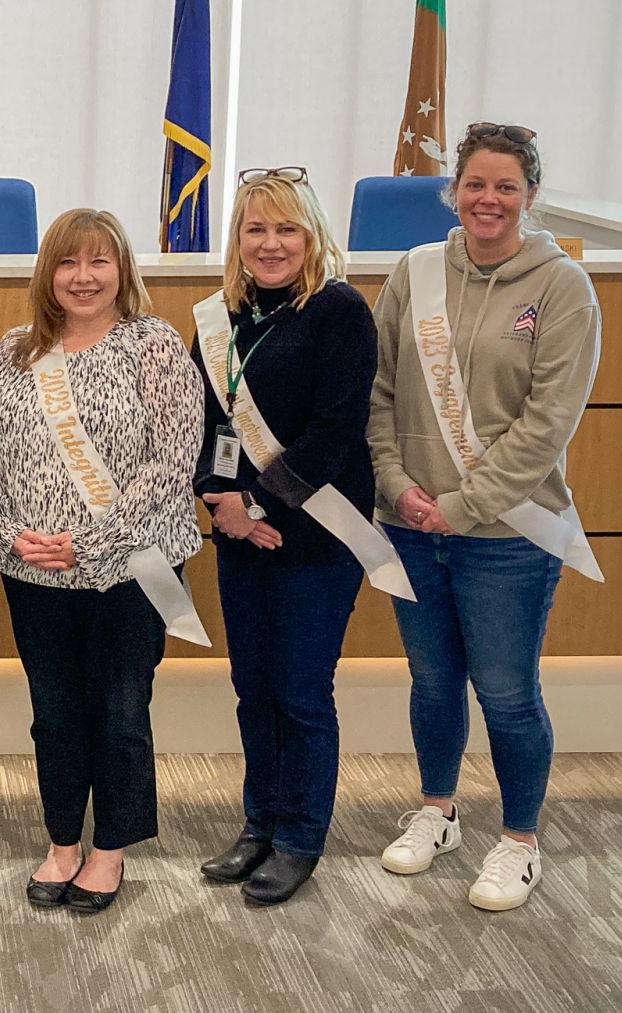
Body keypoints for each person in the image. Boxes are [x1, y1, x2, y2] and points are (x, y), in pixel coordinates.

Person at [368, 123, 602, 912]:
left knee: (505, 689)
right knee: (433, 681)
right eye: (475, 184)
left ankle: (519, 840)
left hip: (509, 534)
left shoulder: (562, 287)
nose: (488, 199)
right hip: (410, 523)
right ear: (453, 190)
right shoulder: (416, 273)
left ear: (531, 195)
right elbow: (382, 395)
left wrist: (461, 506)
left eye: (506, 186)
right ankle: (437, 811)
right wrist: (399, 488)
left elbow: (547, 425)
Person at [0, 208, 203, 914]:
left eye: (99, 261)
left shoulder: (154, 344)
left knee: (121, 710)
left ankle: (110, 849)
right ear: (49, 273)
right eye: (69, 263)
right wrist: (6, 532)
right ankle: (63, 839)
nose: (83, 276)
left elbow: (172, 461)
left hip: (129, 570)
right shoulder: (12, 352)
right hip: (35, 573)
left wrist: (91, 542)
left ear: (121, 269)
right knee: (55, 712)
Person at [189, 168, 381, 905]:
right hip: (242, 534)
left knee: (301, 692)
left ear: (312, 236)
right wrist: (221, 500)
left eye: (286, 229)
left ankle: (299, 836)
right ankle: (258, 821)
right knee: (252, 687)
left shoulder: (338, 311)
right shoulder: (221, 317)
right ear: (237, 240)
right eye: (255, 229)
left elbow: (335, 432)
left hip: (318, 537)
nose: (270, 244)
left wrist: (258, 503)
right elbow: (204, 424)